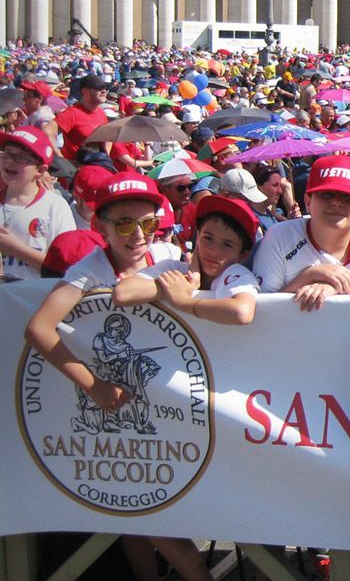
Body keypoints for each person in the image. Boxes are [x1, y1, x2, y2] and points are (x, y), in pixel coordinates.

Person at [23, 173, 208, 581]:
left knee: (150, 521)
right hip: (115, 415)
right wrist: (92, 385)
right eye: (124, 224)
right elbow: (39, 328)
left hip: (166, 409)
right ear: (101, 226)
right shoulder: (88, 269)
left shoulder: (166, 253)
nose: (138, 234)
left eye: (147, 222)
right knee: (139, 520)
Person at [253, 155, 350, 311]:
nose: (336, 202)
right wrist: (309, 276)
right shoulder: (279, 237)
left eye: (348, 197)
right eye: (326, 194)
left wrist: (334, 290)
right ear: (307, 201)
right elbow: (262, 315)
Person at [113, 196, 259, 325]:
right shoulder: (174, 267)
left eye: (227, 245)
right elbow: (122, 293)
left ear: (243, 255)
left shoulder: (238, 274)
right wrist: (187, 281)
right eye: (207, 238)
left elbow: (241, 313)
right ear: (197, 236)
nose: (213, 251)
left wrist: (183, 302)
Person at [0, 126, 74, 279]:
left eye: (20, 158)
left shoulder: (55, 207)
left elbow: (67, 268)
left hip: (33, 299)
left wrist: (16, 249)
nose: (9, 161)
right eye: (6, 154)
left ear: (40, 170)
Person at [50, 74, 109, 160]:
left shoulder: (101, 113)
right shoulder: (72, 113)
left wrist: (106, 156)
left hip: (97, 167)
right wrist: (61, 160)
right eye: (98, 88)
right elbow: (47, 132)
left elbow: (108, 138)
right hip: (76, 168)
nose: (103, 91)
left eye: (105, 88)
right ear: (85, 91)